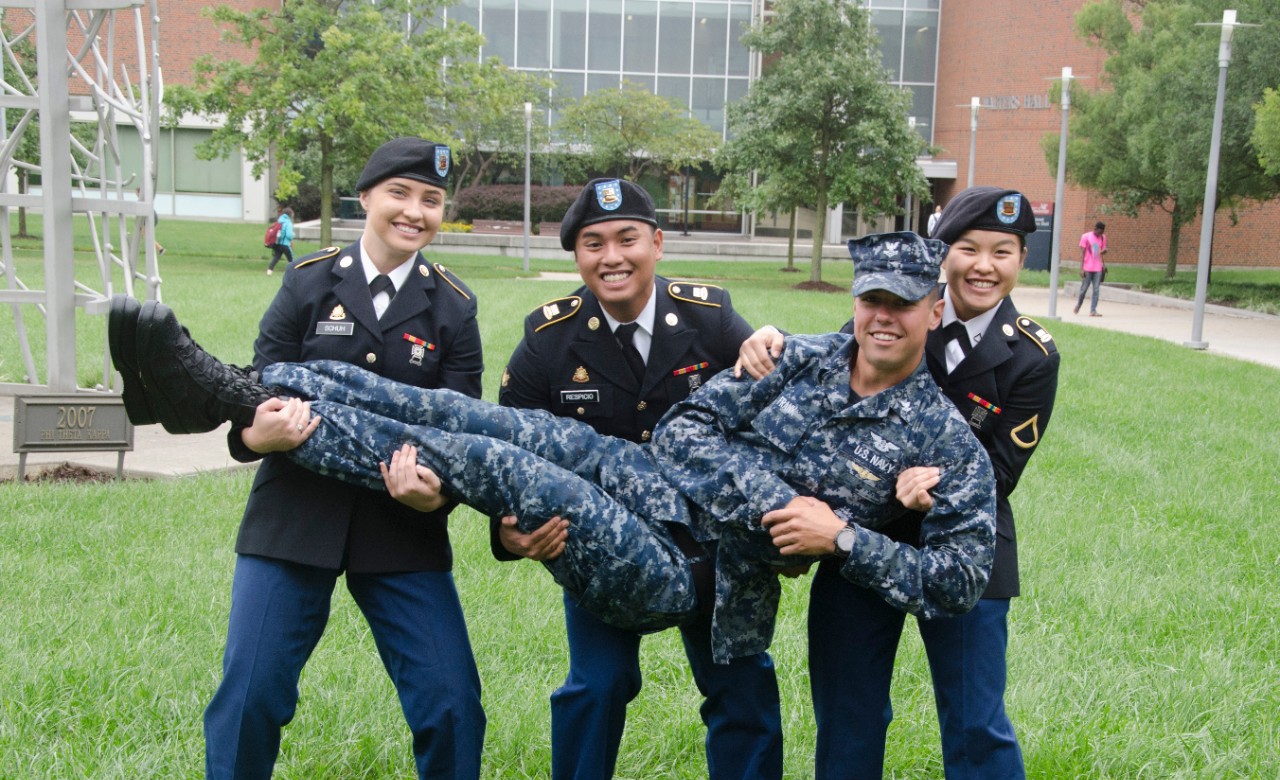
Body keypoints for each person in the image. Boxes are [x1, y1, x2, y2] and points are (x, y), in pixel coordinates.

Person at [108, 231, 997, 677]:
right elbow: (686, 431)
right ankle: (221, 391)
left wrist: (838, 535)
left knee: (503, 467)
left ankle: (213, 398)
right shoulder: (797, 354)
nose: (882, 316)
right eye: (871, 297)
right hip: (650, 476)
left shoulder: (941, 440)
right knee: (465, 417)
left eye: (903, 303)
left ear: (933, 310)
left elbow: (959, 578)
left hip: (689, 572)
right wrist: (771, 498)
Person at [118, 137, 486, 780]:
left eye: (431, 200)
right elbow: (252, 397)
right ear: (367, 197)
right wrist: (259, 433)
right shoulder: (309, 281)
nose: (414, 212)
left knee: (453, 704)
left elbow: (458, 441)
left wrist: (433, 497)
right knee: (250, 696)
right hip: (293, 517)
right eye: (399, 194)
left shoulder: (453, 309)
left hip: (399, 530)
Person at [738, 187, 1058, 780]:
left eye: (1003, 252)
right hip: (858, 541)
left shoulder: (1032, 355)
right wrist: (772, 340)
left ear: (1022, 260)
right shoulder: (895, 312)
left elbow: (998, 470)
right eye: (968, 249)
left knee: (975, 723)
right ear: (943, 257)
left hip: (966, 551)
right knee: (849, 719)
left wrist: (927, 486)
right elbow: (829, 375)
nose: (984, 266)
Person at [492, 178, 782, 780]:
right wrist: (508, 530)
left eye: (627, 239)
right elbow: (508, 446)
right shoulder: (549, 339)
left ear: (657, 241)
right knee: (597, 685)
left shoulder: (709, 318)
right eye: (593, 244)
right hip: (603, 542)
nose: (612, 257)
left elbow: (772, 393)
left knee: (740, 683)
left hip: (709, 542)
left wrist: (771, 340)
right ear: (577, 257)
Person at [1074, 220, 1107, 316]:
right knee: (1084, 288)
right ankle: (1078, 305)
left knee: (1096, 289)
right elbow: (1083, 253)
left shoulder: (1103, 238)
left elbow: (1100, 251)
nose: (1100, 234)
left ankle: (1093, 310)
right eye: (1099, 232)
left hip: (1098, 267)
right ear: (1095, 229)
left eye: (1102, 232)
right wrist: (1082, 268)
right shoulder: (1086, 237)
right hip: (1088, 267)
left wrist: (1104, 253)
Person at [266, 204, 295, 276]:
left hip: (277, 243)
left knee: (276, 257)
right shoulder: (288, 223)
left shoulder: (279, 221)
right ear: (290, 214)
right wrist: (293, 235)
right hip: (285, 244)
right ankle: (291, 272)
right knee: (291, 259)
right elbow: (289, 235)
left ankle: (269, 271)